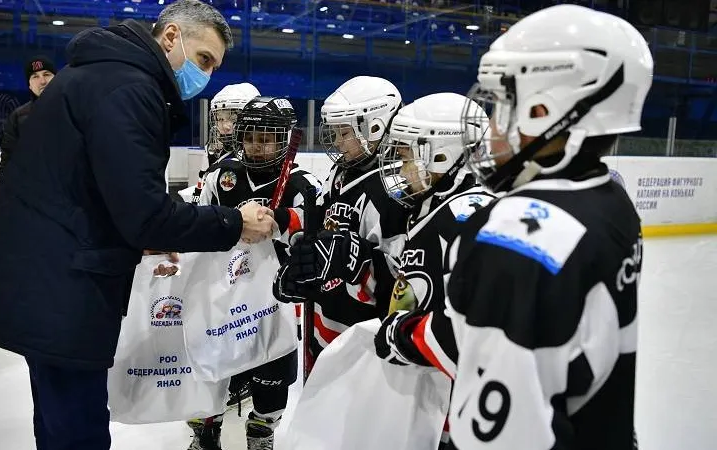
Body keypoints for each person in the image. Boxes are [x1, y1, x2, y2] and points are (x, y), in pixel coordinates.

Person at [0, 1, 276, 449]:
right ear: (172, 36)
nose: (206, 75)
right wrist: (234, 222)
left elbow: (89, 192)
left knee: (60, 418)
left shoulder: (103, 75)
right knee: (77, 428)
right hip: (61, 291)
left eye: (213, 67)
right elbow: (145, 215)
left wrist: (141, 238)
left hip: (44, 279)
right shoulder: (129, 89)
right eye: (203, 59)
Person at [376, 4, 652, 449]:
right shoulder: (610, 198)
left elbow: (505, 428)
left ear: (546, 111)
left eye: (505, 104)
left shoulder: (510, 234)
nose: (489, 129)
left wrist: (400, 333)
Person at [188, 96, 321, 450]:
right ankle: (205, 428)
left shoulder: (304, 184)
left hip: (273, 301)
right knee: (212, 367)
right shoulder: (223, 174)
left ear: (283, 140)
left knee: (272, 375)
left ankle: (262, 430)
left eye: (267, 138)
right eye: (250, 137)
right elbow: (199, 221)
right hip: (222, 294)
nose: (257, 146)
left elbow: (317, 238)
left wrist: (283, 225)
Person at [371, 92, 496, 446]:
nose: (399, 168)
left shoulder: (456, 221)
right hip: (458, 403)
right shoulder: (449, 206)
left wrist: (399, 336)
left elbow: (462, 334)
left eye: (407, 156)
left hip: (458, 412)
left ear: (443, 155)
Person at [272, 76, 410, 360]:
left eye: (344, 133)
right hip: (325, 330)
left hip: (367, 344)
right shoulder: (340, 174)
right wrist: (302, 269)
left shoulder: (396, 190)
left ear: (375, 127)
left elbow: (403, 279)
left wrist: (357, 261)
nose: (337, 143)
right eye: (334, 133)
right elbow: (321, 232)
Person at [186, 82, 260, 204]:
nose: (225, 126)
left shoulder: (257, 157)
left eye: (233, 119)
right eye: (220, 119)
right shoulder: (213, 151)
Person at [0, 55, 56, 178]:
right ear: (29, 85)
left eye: (46, 74)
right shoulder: (19, 117)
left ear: (57, 78)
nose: (42, 81)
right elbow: (8, 161)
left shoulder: (75, 110)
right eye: (35, 76)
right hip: (35, 190)